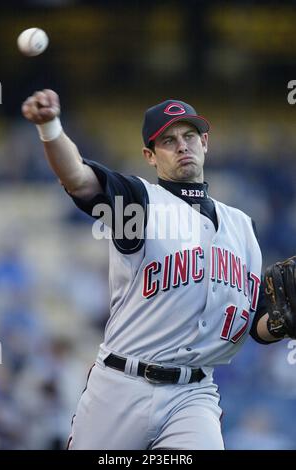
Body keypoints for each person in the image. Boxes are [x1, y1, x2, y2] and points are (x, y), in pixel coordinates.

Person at [21, 90, 288, 450]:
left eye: (189, 136)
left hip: (193, 395)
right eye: (168, 140)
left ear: (204, 143)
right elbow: (78, 178)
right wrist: (50, 127)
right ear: (150, 155)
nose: (182, 146)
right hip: (121, 387)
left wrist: (276, 325)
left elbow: (253, 323)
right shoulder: (139, 204)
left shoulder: (242, 227)